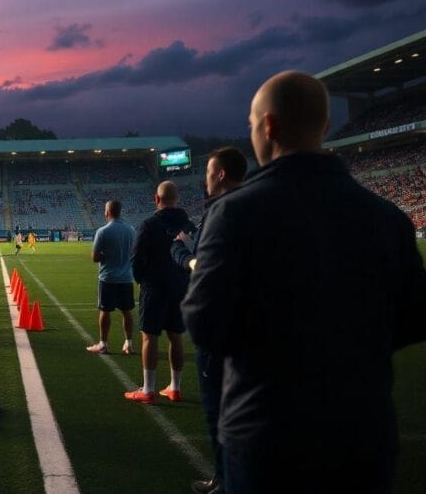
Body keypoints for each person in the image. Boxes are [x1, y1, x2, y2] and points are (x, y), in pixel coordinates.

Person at [182, 71, 426, 493]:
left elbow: (205, 323)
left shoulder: (235, 214)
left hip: (267, 433)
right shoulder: (388, 218)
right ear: (326, 127)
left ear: (270, 126)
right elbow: (414, 319)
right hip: (364, 435)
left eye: (252, 124)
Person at [170, 148, 246, 494]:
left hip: (219, 329)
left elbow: (204, 268)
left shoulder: (223, 210)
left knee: (219, 411)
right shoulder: (257, 205)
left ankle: (224, 480)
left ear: (220, 175)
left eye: (209, 171)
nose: (205, 179)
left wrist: (182, 252)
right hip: (253, 328)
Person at [124, 181, 195, 404]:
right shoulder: (189, 226)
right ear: (178, 199)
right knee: (176, 337)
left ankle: (148, 389)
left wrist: (141, 281)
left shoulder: (149, 225)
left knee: (149, 337)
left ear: (157, 199)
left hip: (154, 287)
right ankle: (175, 387)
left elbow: (136, 260)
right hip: (181, 287)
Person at [86, 200, 136, 356]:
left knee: (105, 311)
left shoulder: (103, 231)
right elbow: (134, 253)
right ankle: (128, 343)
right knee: (127, 312)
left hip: (108, 278)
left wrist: (107, 255)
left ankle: (103, 344)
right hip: (126, 278)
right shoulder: (131, 230)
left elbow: (94, 257)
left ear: (107, 212)